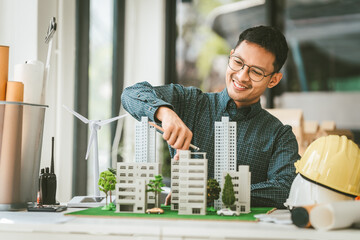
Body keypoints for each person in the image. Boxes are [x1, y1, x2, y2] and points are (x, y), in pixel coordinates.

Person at [121, 25, 300, 209]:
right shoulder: (190, 102)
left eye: (256, 72)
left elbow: (285, 189)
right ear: (230, 56)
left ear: (274, 79)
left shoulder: (280, 135)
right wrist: (164, 112)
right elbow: (131, 94)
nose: (241, 76)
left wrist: (211, 193)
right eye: (238, 62)